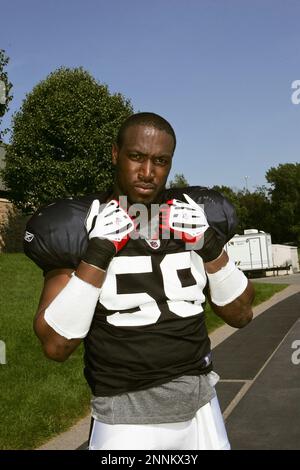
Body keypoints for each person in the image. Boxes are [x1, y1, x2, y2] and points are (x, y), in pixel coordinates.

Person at [24, 112, 255, 450]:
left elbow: (241, 315)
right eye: (137, 157)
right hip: (125, 420)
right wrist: (98, 254)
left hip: (202, 408)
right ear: (115, 153)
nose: (148, 172)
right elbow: (56, 345)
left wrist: (210, 248)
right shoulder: (83, 226)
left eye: (160, 161)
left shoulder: (193, 216)